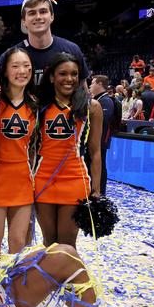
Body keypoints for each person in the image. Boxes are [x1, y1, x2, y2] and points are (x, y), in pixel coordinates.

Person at [35, 52, 102, 248]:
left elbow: (96, 152)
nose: (69, 79)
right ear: (51, 77)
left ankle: (68, 279)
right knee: (48, 242)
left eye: (74, 74)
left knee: (66, 244)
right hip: (43, 178)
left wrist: (96, 190)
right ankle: (50, 279)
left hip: (75, 179)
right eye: (63, 73)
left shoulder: (92, 107)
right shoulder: (39, 106)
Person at [0, 47, 37, 266]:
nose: (22, 71)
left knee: (19, 242)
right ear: (5, 71)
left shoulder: (35, 105)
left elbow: (34, 146)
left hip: (23, 178)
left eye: (26, 66)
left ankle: (16, 291)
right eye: (15, 66)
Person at [0, 0, 89, 88]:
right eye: (32, 13)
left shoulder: (72, 50)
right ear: (24, 21)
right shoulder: (9, 56)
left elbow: (84, 93)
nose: (38, 17)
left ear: (52, 16)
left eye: (43, 11)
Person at [88, 75, 118, 195]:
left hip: (101, 138)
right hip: (99, 137)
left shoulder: (105, 101)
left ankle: (100, 191)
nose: (90, 86)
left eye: (92, 83)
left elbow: (104, 120)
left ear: (100, 84)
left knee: (100, 165)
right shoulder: (102, 99)